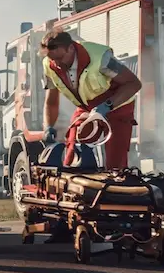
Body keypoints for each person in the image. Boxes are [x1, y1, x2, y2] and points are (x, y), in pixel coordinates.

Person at [40, 30, 142, 170]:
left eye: (60, 58)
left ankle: (115, 180)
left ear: (71, 48)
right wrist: (48, 127)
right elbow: (51, 102)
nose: (57, 64)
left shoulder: (101, 58)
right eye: (52, 59)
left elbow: (134, 83)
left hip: (118, 105)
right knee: (73, 149)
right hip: (87, 107)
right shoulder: (49, 65)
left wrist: (106, 106)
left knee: (116, 164)